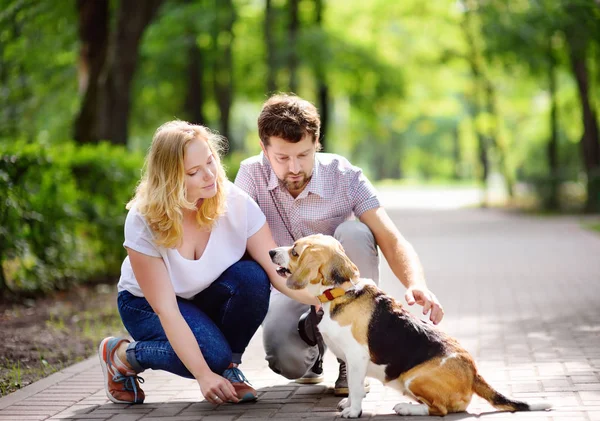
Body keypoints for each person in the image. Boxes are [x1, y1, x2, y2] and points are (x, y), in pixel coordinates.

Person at [234, 94, 444, 396]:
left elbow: (390, 236)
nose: (294, 167)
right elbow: (257, 251)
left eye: (303, 155)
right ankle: (315, 352)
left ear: (317, 142)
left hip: (344, 290)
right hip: (288, 285)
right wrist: (315, 301)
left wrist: (416, 283)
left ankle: (352, 357)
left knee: (356, 232)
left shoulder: (345, 176)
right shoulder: (250, 175)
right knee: (285, 359)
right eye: (282, 158)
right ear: (263, 149)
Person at [99, 120, 316, 405]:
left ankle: (228, 370)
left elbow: (278, 273)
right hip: (145, 306)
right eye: (193, 172)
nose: (209, 175)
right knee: (211, 356)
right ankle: (122, 355)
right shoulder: (143, 219)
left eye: (210, 161)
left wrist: (321, 298)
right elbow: (166, 310)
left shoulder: (236, 203)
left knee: (252, 277)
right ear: (170, 178)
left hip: (202, 296)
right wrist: (202, 374)